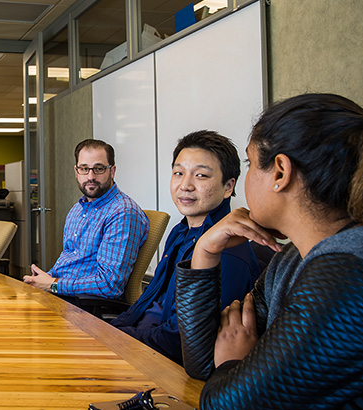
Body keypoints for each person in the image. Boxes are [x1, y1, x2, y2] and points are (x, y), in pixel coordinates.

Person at [175, 94, 363, 410]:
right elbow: (204, 364)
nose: (246, 181)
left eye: (252, 165)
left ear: (281, 173)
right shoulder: (290, 259)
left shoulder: (351, 271)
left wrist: (235, 364)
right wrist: (206, 251)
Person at [110, 131, 261, 363]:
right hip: (137, 343)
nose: (185, 185)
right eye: (178, 173)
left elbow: (179, 340)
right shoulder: (181, 231)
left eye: (200, 175)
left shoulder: (227, 252)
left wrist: (117, 338)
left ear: (228, 187)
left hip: (163, 365)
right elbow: (147, 299)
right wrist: (107, 330)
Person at [23, 139, 148, 299]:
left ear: (112, 171)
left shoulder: (122, 212)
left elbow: (109, 285)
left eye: (99, 169)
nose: (91, 176)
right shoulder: (77, 209)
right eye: (84, 169)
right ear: (76, 171)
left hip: (85, 307)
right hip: (61, 294)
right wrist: (41, 280)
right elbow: (69, 261)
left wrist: (52, 285)